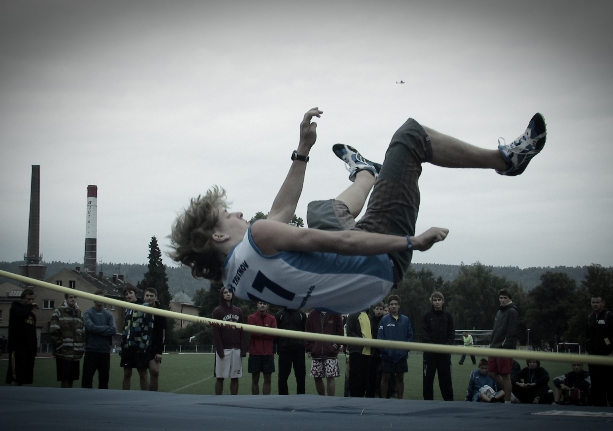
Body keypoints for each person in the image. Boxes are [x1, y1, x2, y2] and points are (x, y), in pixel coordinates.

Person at [169, 108, 547, 315]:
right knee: (410, 135)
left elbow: (282, 210)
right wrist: (410, 241)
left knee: (321, 210)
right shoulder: (259, 237)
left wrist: (302, 150)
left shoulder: (235, 280)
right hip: (378, 257)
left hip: (368, 288)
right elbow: (346, 241)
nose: (238, 215)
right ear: (218, 235)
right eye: (228, 215)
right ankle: (505, 161)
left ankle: (365, 173)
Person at [585, 294, 613, 407]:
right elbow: (587, 336)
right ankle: (600, 408)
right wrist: (588, 350)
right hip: (593, 357)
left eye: (597, 302)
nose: (595, 305)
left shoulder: (609, 316)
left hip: (607, 356)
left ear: (603, 303)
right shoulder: (590, 317)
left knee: (611, 385)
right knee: (596, 385)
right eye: (593, 302)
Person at [212, 286, 247, 395]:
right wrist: (220, 350)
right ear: (222, 295)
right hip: (224, 349)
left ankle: (234, 400)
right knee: (220, 377)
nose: (228, 294)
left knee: (235, 377)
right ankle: (218, 400)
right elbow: (215, 333)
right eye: (226, 292)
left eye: (230, 292)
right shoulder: (217, 311)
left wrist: (243, 349)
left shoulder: (238, 311)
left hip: (236, 349)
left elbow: (242, 331)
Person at [420, 291, 455, 401]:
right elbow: (423, 332)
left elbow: (451, 333)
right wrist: (430, 346)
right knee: (428, 380)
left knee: (446, 380)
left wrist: (446, 346)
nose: (437, 302)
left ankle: (449, 403)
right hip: (429, 354)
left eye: (439, 300)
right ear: (431, 302)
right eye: (435, 300)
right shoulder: (427, 315)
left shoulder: (448, 316)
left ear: (443, 301)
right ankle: (428, 402)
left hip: (444, 354)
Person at [378, 295, 413, 399]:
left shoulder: (406, 320)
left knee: (400, 378)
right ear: (388, 306)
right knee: (385, 377)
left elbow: (410, 336)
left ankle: (400, 400)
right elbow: (380, 337)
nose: (394, 306)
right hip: (387, 356)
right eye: (392, 304)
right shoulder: (384, 320)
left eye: (396, 304)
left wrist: (404, 351)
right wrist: (385, 352)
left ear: (399, 306)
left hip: (400, 356)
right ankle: (383, 400)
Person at [81, 290, 116, 389]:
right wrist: (105, 328)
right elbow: (90, 327)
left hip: (104, 351)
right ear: (93, 299)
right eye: (98, 297)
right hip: (91, 350)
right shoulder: (88, 313)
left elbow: (113, 330)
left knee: (104, 382)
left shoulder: (108, 314)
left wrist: (98, 329)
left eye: (102, 298)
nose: (100, 300)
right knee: (87, 381)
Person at [488, 288, 518, 402]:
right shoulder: (499, 311)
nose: (503, 300)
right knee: (492, 372)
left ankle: (507, 401)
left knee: (505, 375)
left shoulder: (512, 311)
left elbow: (512, 332)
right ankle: (510, 395)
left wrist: (505, 346)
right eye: (501, 298)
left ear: (510, 299)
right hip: (494, 347)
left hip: (504, 348)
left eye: (505, 298)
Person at [49, 292, 85, 388]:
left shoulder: (79, 313)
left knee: (72, 380)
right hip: (63, 353)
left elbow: (82, 331)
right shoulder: (59, 312)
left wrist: (81, 347)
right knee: (64, 380)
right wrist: (60, 347)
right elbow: (53, 330)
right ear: (66, 298)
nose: (73, 299)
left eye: (74, 297)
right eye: (70, 297)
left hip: (76, 352)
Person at [306, 309, 344, 396]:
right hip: (316, 352)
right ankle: (322, 399)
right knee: (317, 377)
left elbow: (340, 332)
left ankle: (330, 401)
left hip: (331, 353)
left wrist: (335, 345)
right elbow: (308, 331)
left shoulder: (335, 313)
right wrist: (309, 348)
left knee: (330, 377)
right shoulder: (312, 314)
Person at [120, 286, 152, 391]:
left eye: (130, 293)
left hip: (139, 346)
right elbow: (125, 328)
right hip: (127, 346)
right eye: (126, 294)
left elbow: (148, 328)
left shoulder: (144, 306)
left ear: (135, 294)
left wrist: (143, 345)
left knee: (143, 374)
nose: (128, 295)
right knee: (127, 373)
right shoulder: (127, 308)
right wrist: (123, 344)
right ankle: (125, 396)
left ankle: (145, 397)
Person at [6, 288, 39, 386]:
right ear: (22, 298)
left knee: (25, 377)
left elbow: (33, 332)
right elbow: (21, 314)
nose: (30, 302)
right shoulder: (15, 308)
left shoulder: (32, 315)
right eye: (28, 299)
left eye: (32, 299)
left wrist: (34, 348)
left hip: (29, 349)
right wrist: (30, 307)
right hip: (18, 348)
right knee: (16, 376)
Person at [275, 307, 307, 395]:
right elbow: (276, 333)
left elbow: (305, 331)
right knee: (282, 377)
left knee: (300, 376)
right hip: (284, 351)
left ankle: (301, 397)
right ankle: (283, 398)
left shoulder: (301, 315)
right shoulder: (279, 315)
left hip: (299, 350)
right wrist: (277, 347)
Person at [247, 301, 277, 395]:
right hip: (255, 353)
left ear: (267, 305)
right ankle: (255, 401)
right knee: (255, 379)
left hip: (268, 353)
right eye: (260, 303)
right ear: (257, 305)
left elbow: (274, 334)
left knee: (268, 379)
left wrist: (260, 331)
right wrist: (266, 332)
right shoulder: (251, 317)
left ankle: (265, 401)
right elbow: (252, 333)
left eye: (264, 303)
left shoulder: (272, 318)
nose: (262, 305)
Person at [346, 307, 374, 397]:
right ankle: (354, 402)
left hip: (368, 354)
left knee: (365, 382)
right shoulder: (353, 315)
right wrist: (362, 342)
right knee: (355, 382)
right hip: (357, 353)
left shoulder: (368, 316)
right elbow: (350, 332)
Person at [145, 288, 167, 392]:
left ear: (156, 297)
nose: (149, 298)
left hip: (154, 346)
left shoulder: (160, 312)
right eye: (147, 295)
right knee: (141, 373)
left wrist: (159, 351)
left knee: (155, 371)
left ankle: (153, 395)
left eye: (151, 296)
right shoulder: (140, 309)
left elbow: (163, 331)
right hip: (141, 344)